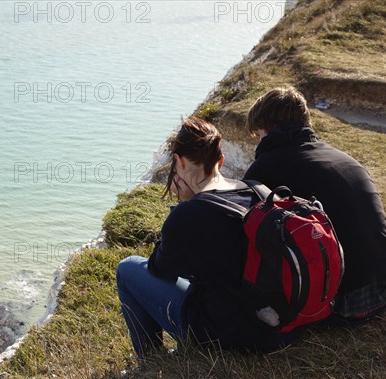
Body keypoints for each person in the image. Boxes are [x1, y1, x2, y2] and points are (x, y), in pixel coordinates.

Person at [116, 118, 297, 358]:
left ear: (179, 162)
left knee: (127, 269)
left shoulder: (189, 214)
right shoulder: (257, 189)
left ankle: (149, 359)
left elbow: (159, 269)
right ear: (220, 161)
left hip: (226, 335)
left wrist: (184, 206)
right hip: (274, 325)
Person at [243, 86, 386, 325]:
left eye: (259, 134)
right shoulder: (341, 157)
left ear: (268, 128)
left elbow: (247, 226)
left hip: (347, 301)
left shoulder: (266, 167)